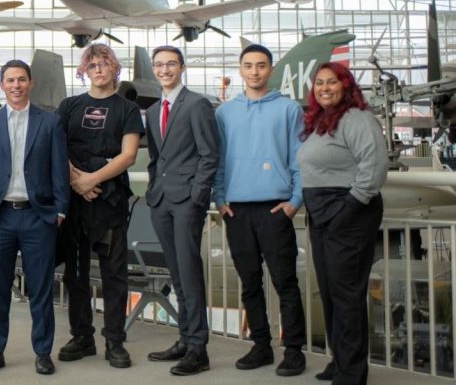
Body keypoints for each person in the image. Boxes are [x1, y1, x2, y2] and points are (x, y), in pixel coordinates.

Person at [0, 59, 69, 375]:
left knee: (40, 289)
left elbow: (59, 171)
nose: (16, 85)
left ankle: (42, 352)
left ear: (30, 83)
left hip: (38, 217)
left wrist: (60, 210)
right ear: (2, 85)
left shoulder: (49, 123)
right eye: (10, 80)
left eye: (21, 80)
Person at [213, 44, 306, 377]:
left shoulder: (288, 110)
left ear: (270, 70)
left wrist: (295, 201)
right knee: (249, 282)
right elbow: (218, 160)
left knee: (285, 282)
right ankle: (261, 345)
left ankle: (294, 350)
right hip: (236, 210)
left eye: (261, 65)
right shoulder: (225, 113)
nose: (255, 71)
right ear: (240, 69)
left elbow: (299, 158)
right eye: (249, 65)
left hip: (274, 208)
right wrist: (219, 198)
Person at [297, 63, 387, 385]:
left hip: (348, 214)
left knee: (347, 295)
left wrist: (346, 209)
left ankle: (352, 374)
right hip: (322, 215)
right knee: (332, 292)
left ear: (345, 85)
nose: (324, 88)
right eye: (319, 83)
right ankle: (340, 361)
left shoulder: (357, 118)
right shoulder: (321, 121)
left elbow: (374, 168)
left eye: (331, 82)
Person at [54, 44, 143, 369]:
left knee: (114, 275)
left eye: (104, 63)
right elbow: (54, 145)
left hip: (109, 202)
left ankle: (115, 341)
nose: (98, 69)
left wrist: (93, 180)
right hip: (74, 201)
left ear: (114, 68)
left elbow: (129, 154)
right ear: (84, 70)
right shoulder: (70, 105)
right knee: (75, 275)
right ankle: (82, 336)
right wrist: (78, 179)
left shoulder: (126, 109)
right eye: (92, 64)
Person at [144, 45, 219, 377]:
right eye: (159, 65)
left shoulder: (197, 104)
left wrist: (197, 196)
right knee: (175, 274)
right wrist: (152, 188)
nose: (164, 70)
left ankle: (198, 349)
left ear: (182, 67)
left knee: (189, 272)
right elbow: (156, 158)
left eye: (170, 64)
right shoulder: (152, 109)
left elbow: (209, 154)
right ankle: (185, 338)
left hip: (186, 200)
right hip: (161, 199)